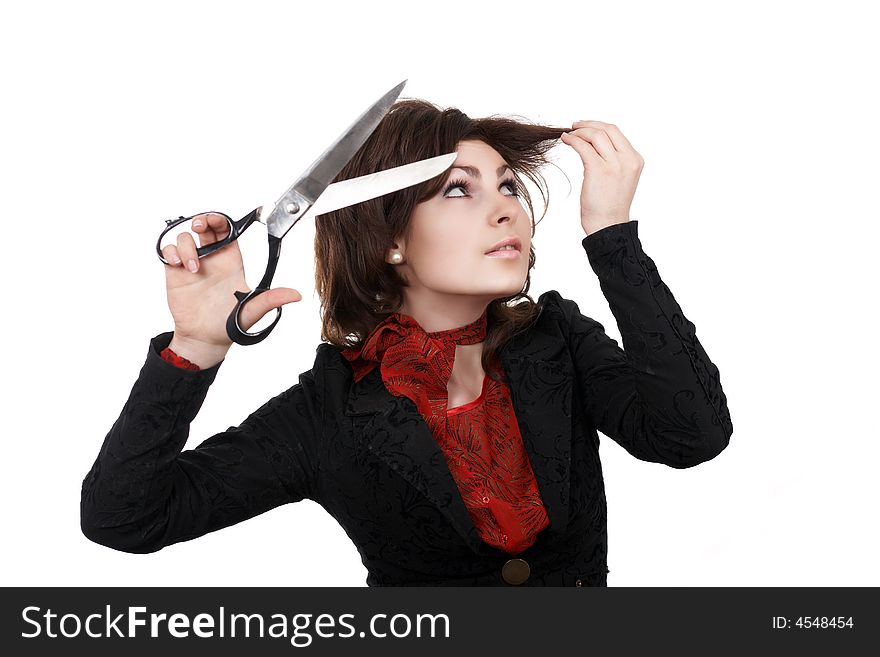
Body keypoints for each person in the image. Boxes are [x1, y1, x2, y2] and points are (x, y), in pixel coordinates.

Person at [80, 99, 733, 586]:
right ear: (390, 238)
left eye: (507, 185)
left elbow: (693, 434)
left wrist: (612, 238)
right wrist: (195, 346)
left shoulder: (557, 340)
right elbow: (124, 516)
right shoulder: (327, 410)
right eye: (458, 190)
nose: (507, 208)